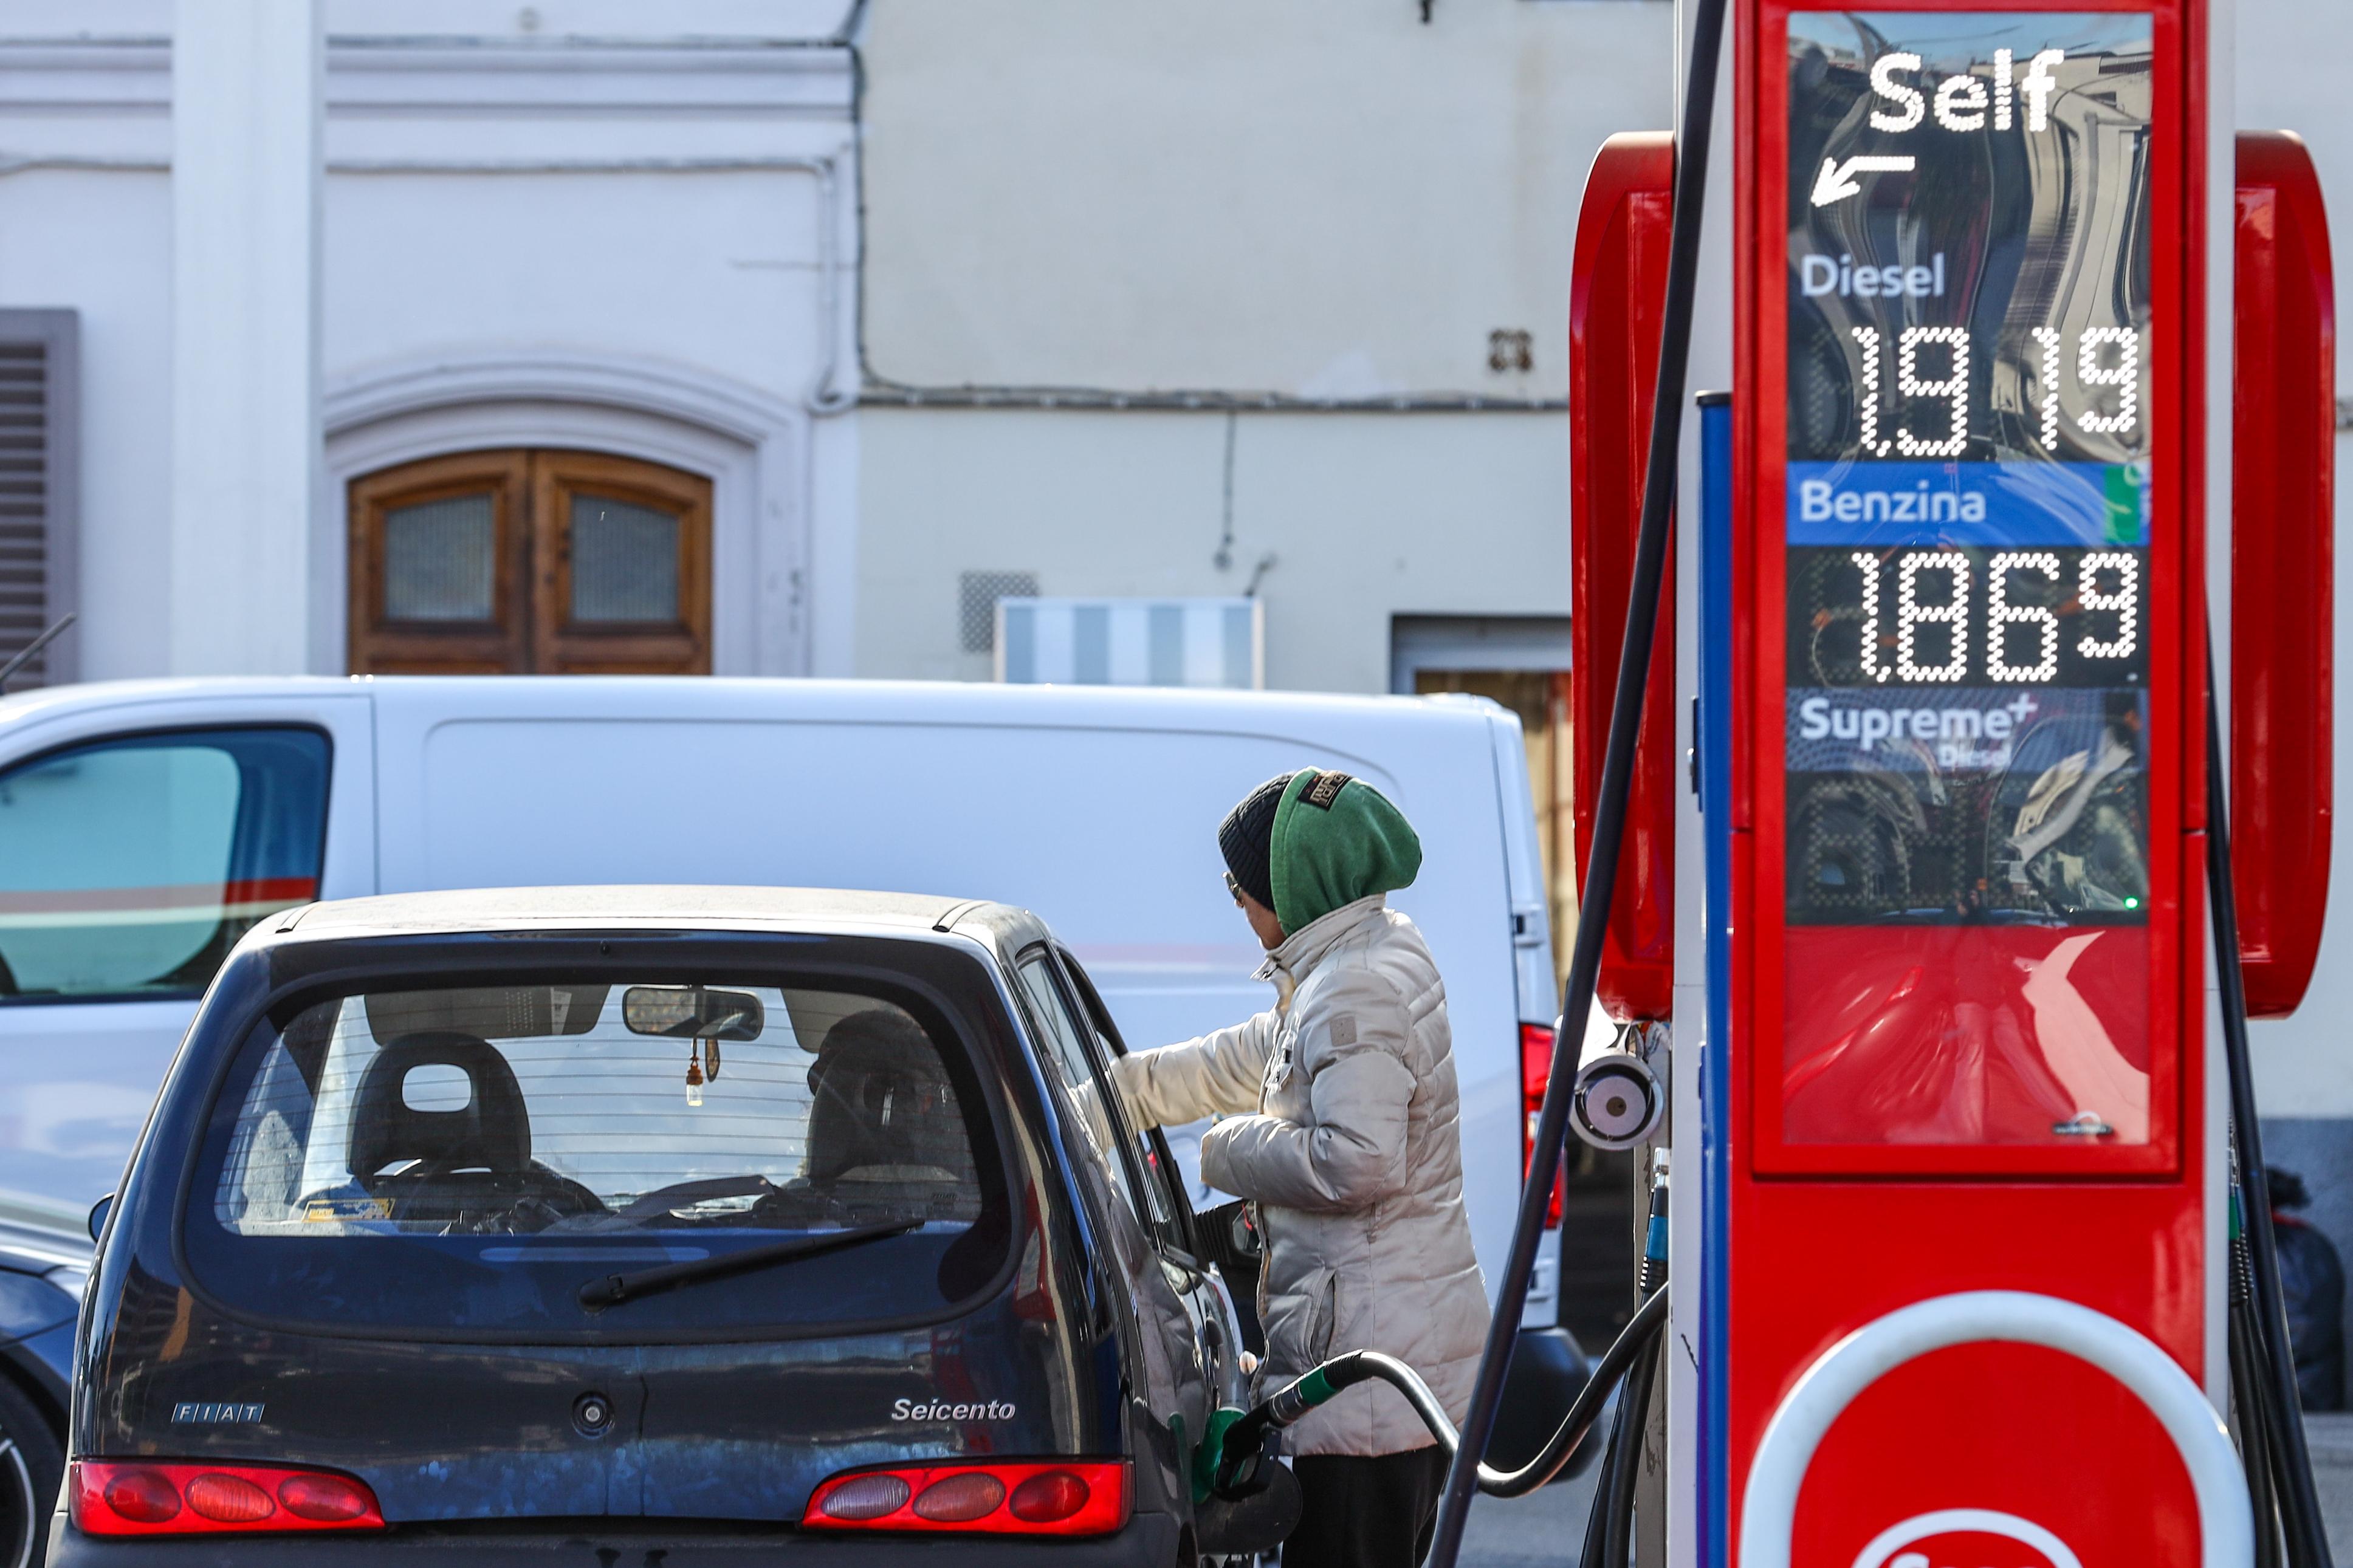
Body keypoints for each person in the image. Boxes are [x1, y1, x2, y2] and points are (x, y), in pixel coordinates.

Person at [1109, 768, 1489, 1568]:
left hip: (1371, 1397)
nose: (1239, 905)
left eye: (1244, 887)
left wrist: (1227, 1149)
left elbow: (1359, 1161)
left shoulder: (1354, 989)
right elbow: (1244, 1058)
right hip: (1384, 1368)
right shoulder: (1355, 957)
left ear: (1299, 884)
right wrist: (1104, 1099)